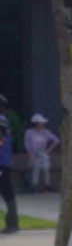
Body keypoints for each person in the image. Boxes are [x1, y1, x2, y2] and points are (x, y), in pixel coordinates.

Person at [24, 114, 59, 192]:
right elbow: (27, 144)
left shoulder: (46, 132)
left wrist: (47, 150)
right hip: (34, 153)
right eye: (41, 123)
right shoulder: (29, 132)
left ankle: (47, 185)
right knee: (36, 167)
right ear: (36, 124)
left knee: (46, 168)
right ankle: (33, 186)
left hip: (42, 153)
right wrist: (31, 155)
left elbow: (56, 140)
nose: (43, 125)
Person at [0, 95, 17, 234]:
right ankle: (12, 222)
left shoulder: (1, 121)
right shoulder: (3, 120)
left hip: (1, 162)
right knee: (7, 192)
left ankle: (12, 223)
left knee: (7, 191)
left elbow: (1, 140)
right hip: (4, 161)